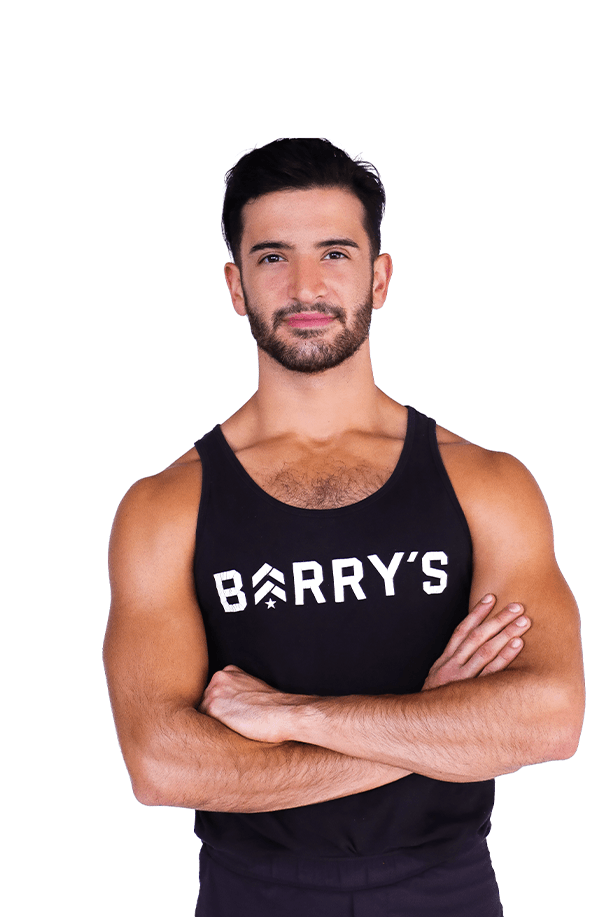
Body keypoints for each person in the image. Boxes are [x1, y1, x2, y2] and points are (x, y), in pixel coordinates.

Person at [103, 138, 584, 916]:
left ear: (379, 278)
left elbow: (550, 719)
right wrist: (430, 723)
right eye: (272, 258)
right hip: (252, 894)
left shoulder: (485, 484)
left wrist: (292, 717)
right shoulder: (167, 507)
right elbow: (163, 766)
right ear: (235, 286)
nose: (305, 286)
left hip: (447, 889)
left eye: (334, 253)